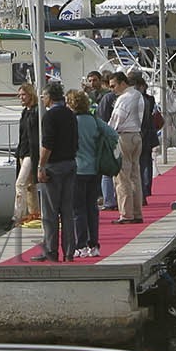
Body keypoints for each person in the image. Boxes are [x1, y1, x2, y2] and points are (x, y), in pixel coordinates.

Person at [30, 83, 78, 263]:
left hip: (54, 166)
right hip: (70, 163)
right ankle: (69, 251)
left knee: (50, 212)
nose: (42, 99)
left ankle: (50, 250)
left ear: (49, 97)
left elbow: (47, 144)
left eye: (43, 96)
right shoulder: (70, 114)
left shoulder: (50, 116)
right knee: (67, 211)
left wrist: (41, 166)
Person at [68, 89, 111, 259]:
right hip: (94, 168)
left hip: (78, 169)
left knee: (78, 209)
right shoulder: (94, 120)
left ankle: (81, 245)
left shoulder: (72, 122)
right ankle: (94, 245)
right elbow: (111, 134)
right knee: (92, 208)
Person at [106, 72, 144, 224]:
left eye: (113, 86)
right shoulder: (138, 95)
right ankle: (137, 212)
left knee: (122, 177)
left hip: (123, 137)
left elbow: (116, 120)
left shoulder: (124, 98)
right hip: (136, 135)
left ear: (122, 83)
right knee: (135, 176)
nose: (112, 89)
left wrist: (107, 133)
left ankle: (126, 214)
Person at [12, 83, 41, 226]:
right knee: (30, 185)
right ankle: (33, 212)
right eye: (20, 95)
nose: (21, 97)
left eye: (23, 94)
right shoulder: (25, 112)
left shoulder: (36, 112)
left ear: (30, 94)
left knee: (20, 183)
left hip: (31, 152)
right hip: (23, 151)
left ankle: (17, 216)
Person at [132, 72, 157, 201]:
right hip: (148, 134)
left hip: (143, 134)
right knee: (145, 162)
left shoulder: (143, 100)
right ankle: (146, 188)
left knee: (143, 163)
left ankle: (145, 188)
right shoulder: (149, 99)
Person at [96, 73, 119, 214]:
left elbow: (102, 118)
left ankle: (109, 200)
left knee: (106, 173)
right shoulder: (129, 97)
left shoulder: (108, 98)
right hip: (124, 137)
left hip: (110, 139)